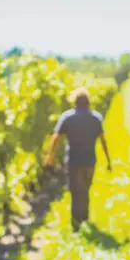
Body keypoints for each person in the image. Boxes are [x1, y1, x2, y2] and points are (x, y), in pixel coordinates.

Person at [45, 87, 112, 232]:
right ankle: (84, 219)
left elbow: (56, 138)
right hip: (89, 161)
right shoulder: (96, 118)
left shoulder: (67, 117)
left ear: (74, 101)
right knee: (85, 190)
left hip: (73, 161)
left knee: (75, 191)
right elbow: (103, 140)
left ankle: (76, 224)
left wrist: (50, 156)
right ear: (88, 102)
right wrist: (108, 160)